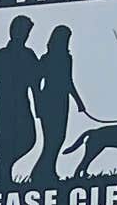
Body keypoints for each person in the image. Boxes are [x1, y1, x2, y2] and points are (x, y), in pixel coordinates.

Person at [0, 15, 43, 191]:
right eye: (23, 31)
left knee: (29, 139)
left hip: (23, 105)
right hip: (2, 106)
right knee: (4, 145)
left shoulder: (29, 55)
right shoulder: (1, 55)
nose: (25, 35)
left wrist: (39, 109)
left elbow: (35, 84)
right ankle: (2, 182)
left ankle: (4, 174)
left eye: (27, 32)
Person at [30, 21, 82, 187]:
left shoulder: (67, 58)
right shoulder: (46, 59)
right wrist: (38, 103)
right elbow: (36, 82)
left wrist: (78, 102)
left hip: (62, 101)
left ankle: (48, 171)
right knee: (51, 140)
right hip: (49, 100)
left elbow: (68, 81)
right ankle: (40, 173)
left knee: (58, 138)